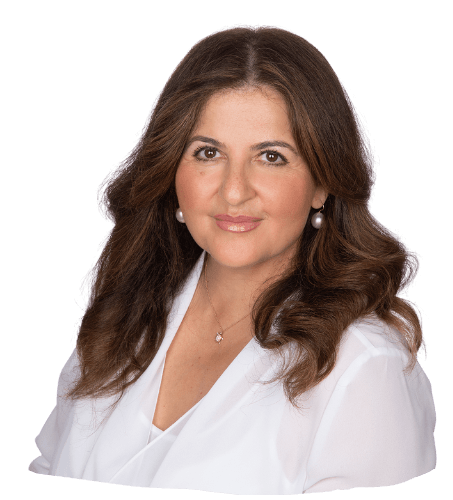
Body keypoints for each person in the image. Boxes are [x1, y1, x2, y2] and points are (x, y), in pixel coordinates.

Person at [28, 25, 436, 494]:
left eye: (271, 157)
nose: (234, 191)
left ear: (322, 184)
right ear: (171, 172)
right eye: (208, 153)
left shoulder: (363, 368)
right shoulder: (121, 322)